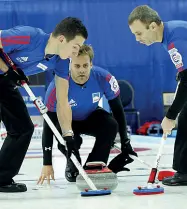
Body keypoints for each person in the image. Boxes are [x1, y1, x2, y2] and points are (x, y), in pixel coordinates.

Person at [0, 17, 88, 192]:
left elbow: (62, 101)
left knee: (23, 128)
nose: (76, 52)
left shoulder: (61, 61)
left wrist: (68, 136)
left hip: (5, 83)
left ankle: (1, 178)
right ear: (62, 39)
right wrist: (7, 70)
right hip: (4, 76)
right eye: (75, 47)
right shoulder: (28, 36)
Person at [37, 44, 137, 185]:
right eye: (77, 66)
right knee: (74, 175)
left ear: (91, 64)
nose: (82, 70)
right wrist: (47, 163)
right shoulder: (56, 87)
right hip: (67, 123)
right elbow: (49, 126)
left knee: (110, 125)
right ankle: (73, 163)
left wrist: (125, 141)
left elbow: (118, 111)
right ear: (69, 65)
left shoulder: (105, 78)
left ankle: (95, 165)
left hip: (90, 116)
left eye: (85, 65)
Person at [128, 5, 187, 186]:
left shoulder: (174, 39)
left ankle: (184, 171)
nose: (137, 39)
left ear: (153, 26)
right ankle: (184, 171)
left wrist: (170, 116)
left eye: (139, 33)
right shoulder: (170, 32)